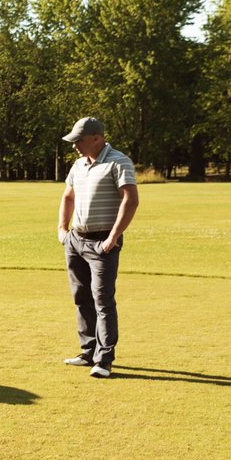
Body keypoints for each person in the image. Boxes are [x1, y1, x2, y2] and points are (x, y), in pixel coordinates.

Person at [57, 117, 138, 378]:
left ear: (96, 137)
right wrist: (62, 230)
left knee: (102, 300)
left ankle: (104, 359)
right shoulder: (79, 165)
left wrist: (114, 237)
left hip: (103, 241)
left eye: (78, 140)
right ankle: (88, 351)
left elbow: (131, 199)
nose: (74, 146)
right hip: (76, 240)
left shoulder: (118, 161)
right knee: (82, 298)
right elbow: (68, 196)